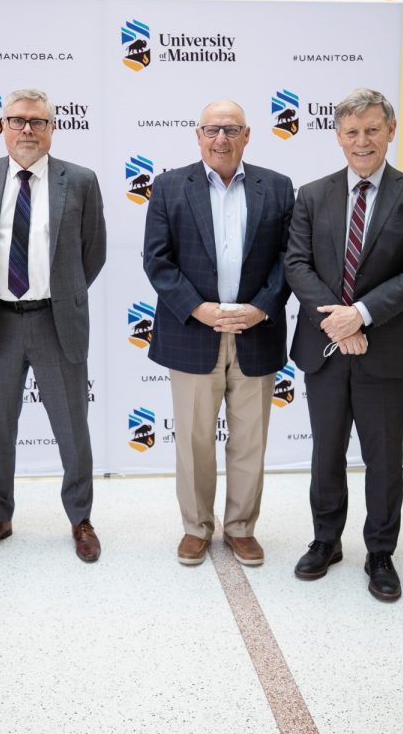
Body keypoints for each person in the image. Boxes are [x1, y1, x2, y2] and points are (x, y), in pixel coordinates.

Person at [284, 88, 403, 601]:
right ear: (338, 136)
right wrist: (337, 322)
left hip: (386, 350)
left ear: (391, 131)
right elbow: (296, 265)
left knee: (383, 459)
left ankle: (380, 552)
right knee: (326, 453)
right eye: (351, 132)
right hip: (324, 347)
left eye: (372, 129)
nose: (362, 140)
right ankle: (326, 540)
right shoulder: (311, 194)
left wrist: (361, 317)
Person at [142, 100, 295, 568]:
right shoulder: (169, 186)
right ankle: (196, 528)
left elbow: (289, 259)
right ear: (198, 135)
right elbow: (157, 260)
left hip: (256, 332)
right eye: (212, 130)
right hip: (192, 332)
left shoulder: (277, 186)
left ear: (247, 135)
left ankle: (241, 528)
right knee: (193, 441)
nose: (221, 139)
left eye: (231, 130)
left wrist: (260, 308)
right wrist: (199, 309)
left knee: (250, 440)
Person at [0, 87, 107, 563]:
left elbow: (93, 251)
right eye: (17, 120)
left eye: (37, 121)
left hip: (55, 319)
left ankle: (80, 518)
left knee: (72, 427)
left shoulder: (79, 180)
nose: (27, 129)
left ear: (51, 128)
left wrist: (60, 290)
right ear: (2, 126)